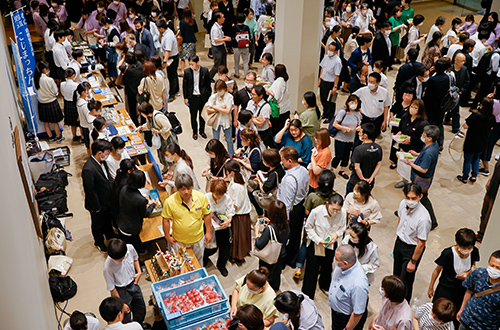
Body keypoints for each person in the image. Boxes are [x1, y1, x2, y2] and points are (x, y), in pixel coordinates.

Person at [428, 228, 479, 328]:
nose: (467, 251)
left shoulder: (474, 252)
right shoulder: (448, 253)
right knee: (439, 312)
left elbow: (473, 265)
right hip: (445, 288)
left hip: (461, 289)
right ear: (457, 243)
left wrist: (468, 273)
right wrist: (431, 286)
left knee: (455, 315)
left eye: (469, 248)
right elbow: (437, 270)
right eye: (464, 248)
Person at [302, 194, 346, 299]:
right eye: (333, 209)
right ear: (327, 204)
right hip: (315, 243)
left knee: (327, 266)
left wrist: (336, 234)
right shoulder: (316, 212)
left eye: (338, 210)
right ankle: (307, 294)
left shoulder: (342, 213)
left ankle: (325, 285)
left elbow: (342, 227)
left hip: (330, 244)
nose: (335, 212)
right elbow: (308, 227)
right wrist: (318, 240)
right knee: (311, 269)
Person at [393, 183, 432, 302]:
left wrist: (413, 261)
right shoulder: (402, 204)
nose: (410, 201)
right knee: (396, 275)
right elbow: (400, 219)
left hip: (412, 249)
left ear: (420, 196)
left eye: (413, 198)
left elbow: (421, 243)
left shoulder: (423, 218)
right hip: (400, 242)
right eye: (408, 197)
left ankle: (403, 304)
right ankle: (394, 299)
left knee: (406, 281)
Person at [161, 174, 212, 263]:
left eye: (189, 188)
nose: (186, 192)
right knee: (181, 264)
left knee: (198, 261)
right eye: (183, 189)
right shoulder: (170, 202)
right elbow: (166, 220)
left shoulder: (201, 197)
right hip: (179, 241)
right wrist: (167, 236)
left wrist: (208, 232)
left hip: (198, 239)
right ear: (177, 189)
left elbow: (207, 214)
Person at [277, 147, 309, 267]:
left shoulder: (288, 179)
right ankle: (292, 259)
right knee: (296, 235)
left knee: (286, 237)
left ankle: (283, 261)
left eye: (283, 160)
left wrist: (284, 218)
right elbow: (306, 189)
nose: (282, 162)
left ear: (290, 161)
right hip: (301, 205)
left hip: (291, 210)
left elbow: (286, 202)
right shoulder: (304, 170)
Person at [102, 239, 146, 326]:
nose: (123, 259)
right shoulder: (107, 267)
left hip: (133, 283)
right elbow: (112, 288)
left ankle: (139, 325)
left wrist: (139, 272)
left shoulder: (129, 248)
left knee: (140, 307)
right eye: (119, 259)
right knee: (125, 315)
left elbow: (135, 259)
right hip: (121, 291)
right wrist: (121, 304)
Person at [82, 139, 116, 252]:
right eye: (107, 152)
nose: (108, 155)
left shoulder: (103, 162)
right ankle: (99, 242)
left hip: (106, 200)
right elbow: (90, 190)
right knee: (98, 224)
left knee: (107, 219)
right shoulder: (88, 169)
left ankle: (109, 233)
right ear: (99, 153)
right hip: (97, 204)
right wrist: (96, 207)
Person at [406, 125, 440, 229]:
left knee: (423, 198)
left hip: (421, 178)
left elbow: (423, 169)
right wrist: (416, 154)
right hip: (420, 177)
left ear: (429, 138)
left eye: (424, 134)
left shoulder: (429, 153)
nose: (422, 135)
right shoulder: (431, 145)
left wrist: (411, 164)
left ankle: (433, 221)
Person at [329, 244, 369, 330]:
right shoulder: (342, 266)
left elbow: (358, 312)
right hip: (336, 314)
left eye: (336, 260)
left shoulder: (358, 284)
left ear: (345, 263)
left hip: (346, 319)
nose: (335, 261)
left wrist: (347, 329)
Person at [457, 250, 500, 330]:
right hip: (467, 319)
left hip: (484, 327)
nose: (494, 269)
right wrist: (462, 309)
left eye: (498, 268)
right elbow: (469, 291)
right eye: (492, 265)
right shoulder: (478, 273)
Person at [116, 171, 156, 253]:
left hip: (121, 222)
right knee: (133, 247)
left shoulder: (124, 189)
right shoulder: (140, 200)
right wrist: (153, 204)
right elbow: (145, 214)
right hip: (131, 228)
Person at [457, 97, 495, 184]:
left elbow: (465, 126)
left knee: (468, 160)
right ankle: (474, 176)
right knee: (476, 159)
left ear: (482, 105)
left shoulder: (476, 115)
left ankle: (465, 177)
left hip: (471, 141)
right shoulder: (491, 117)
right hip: (482, 142)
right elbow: (492, 128)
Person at [254, 200, 290, 291]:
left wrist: (256, 232)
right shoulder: (286, 224)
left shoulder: (269, 229)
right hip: (281, 255)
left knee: (266, 277)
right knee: (276, 275)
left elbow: (259, 244)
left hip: (268, 258)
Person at [204, 179, 234, 276]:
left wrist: (228, 220)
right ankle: (204, 258)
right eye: (217, 194)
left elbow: (230, 212)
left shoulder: (227, 198)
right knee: (209, 246)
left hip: (222, 227)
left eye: (221, 194)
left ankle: (221, 265)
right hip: (209, 226)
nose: (219, 196)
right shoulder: (206, 197)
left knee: (224, 247)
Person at [225, 159, 252, 263]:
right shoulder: (240, 178)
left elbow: (236, 204)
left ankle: (237, 255)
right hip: (243, 212)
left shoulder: (236, 186)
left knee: (238, 237)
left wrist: (227, 210)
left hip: (239, 214)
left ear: (231, 172)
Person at [391, 99, 429, 174]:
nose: (412, 109)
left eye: (415, 108)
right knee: (402, 165)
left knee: (410, 168)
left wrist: (411, 139)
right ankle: (403, 180)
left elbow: (423, 139)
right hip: (403, 146)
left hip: (414, 149)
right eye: (411, 106)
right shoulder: (405, 116)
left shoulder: (423, 123)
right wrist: (400, 132)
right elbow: (401, 127)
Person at [331, 95, 362, 179]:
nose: (353, 104)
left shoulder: (357, 114)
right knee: (338, 155)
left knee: (346, 155)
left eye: (355, 103)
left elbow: (359, 124)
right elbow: (335, 124)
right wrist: (345, 128)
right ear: (348, 103)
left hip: (350, 139)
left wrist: (358, 128)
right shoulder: (343, 112)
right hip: (340, 138)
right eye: (352, 102)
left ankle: (342, 170)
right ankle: (331, 169)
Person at [423, 59, 453, 147]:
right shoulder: (447, 78)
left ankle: (428, 142)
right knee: (439, 124)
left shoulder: (433, 79)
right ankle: (440, 143)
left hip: (431, 105)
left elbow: (428, 93)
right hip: (442, 105)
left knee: (429, 124)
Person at [347, 123, 383, 194]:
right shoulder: (378, 148)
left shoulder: (358, 149)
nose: (358, 134)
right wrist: (371, 178)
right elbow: (378, 164)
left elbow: (357, 167)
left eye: (360, 132)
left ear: (365, 135)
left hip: (356, 181)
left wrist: (363, 179)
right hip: (370, 182)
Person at [136, 102, 174, 167]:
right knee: (161, 154)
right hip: (159, 138)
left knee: (168, 154)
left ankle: (170, 169)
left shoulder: (158, 117)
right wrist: (141, 127)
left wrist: (159, 131)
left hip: (166, 138)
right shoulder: (149, 117)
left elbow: (168, 126)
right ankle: (165, 166)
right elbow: (148, 126)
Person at [34, 61, 64, 143]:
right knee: (55, 122)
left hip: (42, 103)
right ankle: (59, 137)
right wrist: (56, 93)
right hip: (51, 102)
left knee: (46, 122)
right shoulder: (49, 80)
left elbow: (36, 90)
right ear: (44, 69)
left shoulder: (36, 79)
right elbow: (55, 92)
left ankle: (50, 137)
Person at [183, 55, 211, 140]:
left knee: (202, 116)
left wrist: (207, 96)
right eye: (189, 64)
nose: (191, 65)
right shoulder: (187, 72)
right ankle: (194, 132)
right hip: (192, 97)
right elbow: (185, 86)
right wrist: (186, 97)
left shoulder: (205, 71)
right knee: (193, 116)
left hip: (202, 97)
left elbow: (208, 85)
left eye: (192, 64)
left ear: (197, 63)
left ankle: (202, 131)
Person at [206, 80, 235, 155]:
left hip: (226, 121)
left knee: (229, 140)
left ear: (225, 88)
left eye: (220, 90)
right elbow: (208, 110)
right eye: (217, 90)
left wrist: (216, 107)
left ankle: (231, 155)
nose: (219, 91)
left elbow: (228, 111)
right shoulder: (214, 97)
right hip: (216, 121)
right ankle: (217, 155)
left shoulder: (229, 97)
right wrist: (221, 108)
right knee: (216, 140)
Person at [444, 52, 470, 133]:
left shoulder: (464, 69)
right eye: (461, 61)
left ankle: (456, 128)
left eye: (464, 61)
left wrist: (462, 89)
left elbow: (467, 80)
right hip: (447, 93)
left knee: (456, 111)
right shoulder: (449, 69)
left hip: (456, 94)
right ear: (456, 60)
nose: (463, 63)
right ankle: (447, 119)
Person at [118, 53, 145, 127]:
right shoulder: (140, 64)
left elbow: (118, 66)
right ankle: (143, 123)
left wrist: (123, 58)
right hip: (140, 89)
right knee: (142, 107)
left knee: (132, 109)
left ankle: (135, 124)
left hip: (131, 91)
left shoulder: (126, 69)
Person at [156, 19, 179, 102]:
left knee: (171, 76)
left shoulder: (168, 36)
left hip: (171, 57)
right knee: (174, 74)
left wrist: (165, 61)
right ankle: (176, 89)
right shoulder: (165, 33)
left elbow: (168, 51)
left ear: (161, 28)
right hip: (170, 56)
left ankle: (172, 94)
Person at [319, 42, 342, 123]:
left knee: (330, 102)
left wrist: (335, 86)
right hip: (323, 81)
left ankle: (330, 116)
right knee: (323, 99)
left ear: (336, 52)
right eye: (329, 49)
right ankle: (325, 113)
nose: (329, 51)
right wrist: (319, 79)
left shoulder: (337, 61)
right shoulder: (326, 57)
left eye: (332, 50)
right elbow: (322, 68)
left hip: (331, 83)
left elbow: (337, 75)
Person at [478, 159, 500, 242]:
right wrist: (490, 180)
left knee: (488, 218)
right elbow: (496, 169)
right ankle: (480, 234)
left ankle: (485, 237)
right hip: (491, 190)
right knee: (483, 213)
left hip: (496, 196)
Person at [266, 64, 291, 135]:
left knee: (277, 130)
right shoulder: (285, 80)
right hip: (285, 108)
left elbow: (276, 96)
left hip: (279, 110)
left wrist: (267, 90)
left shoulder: (279, 81)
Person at [60, 68, 81, 142]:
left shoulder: (62, 84)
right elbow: (78, 96)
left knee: (72, 123)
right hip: (74, 104)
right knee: (80, 122)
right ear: (73, 75)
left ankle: (74, 136)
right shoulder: (76, 85)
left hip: (67, 103)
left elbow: (62, 93)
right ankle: (83, 137)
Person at [209, 12, 231, 79]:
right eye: (222, 17)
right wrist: (225, 39)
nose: (224, 19)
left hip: (221, 47)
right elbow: (216, 40)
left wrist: (224, 37)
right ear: (218, 19)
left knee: (224, 63)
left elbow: (220, 36)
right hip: (217, 48)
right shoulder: (215, 28)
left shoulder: (219, 27)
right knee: (217, 64)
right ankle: (209, 77)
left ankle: (224, 76)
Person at [178, 8, 198, 75]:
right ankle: (192, 69)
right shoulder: (193, 21)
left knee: (183, 57)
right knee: (192, 57)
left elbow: (182, 33)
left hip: (185, 41)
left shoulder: (182, 22)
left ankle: (183, 70)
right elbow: (196, 30)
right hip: (192, 41)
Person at [232, 12, 251, 78]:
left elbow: (232, 37)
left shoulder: (234, 28)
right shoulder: (246, 27)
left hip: (236, 47)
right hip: (245, 46)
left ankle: (237, 74)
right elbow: (250, 36)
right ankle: (246, 75)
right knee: (245, 62)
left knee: (236, 61)